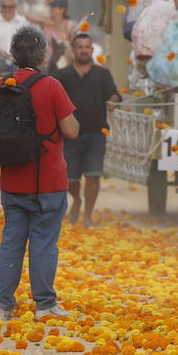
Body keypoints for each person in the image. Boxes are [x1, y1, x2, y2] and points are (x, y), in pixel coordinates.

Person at [0, 26, 79, 320]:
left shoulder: (1, 84)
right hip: (47, 180)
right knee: (43, 242)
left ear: (14, 53)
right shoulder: (51, 85)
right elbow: (71, 130)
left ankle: (3, 304)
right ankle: (45, 304)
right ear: (42, 54)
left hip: (13, 180)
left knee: (12, 241)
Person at [53, 33, 120, 225]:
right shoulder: (62, 75)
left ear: (92, 50)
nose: (83, 50)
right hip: (70, 135)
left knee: (93, 174)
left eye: (87, 47)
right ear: (73, 50)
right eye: (79, 47)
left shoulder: (102, 74)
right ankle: (77, 199)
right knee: (69, 179)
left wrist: (112, 102)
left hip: (96, 133)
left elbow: (114, 94)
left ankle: (88, 215)